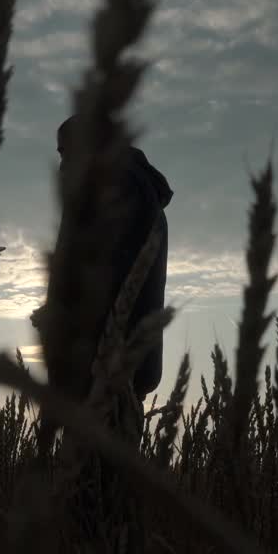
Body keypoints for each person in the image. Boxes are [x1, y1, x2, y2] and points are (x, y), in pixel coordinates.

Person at [31, 115, 174, 406]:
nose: (62, 165)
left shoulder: (118, 188)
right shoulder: (128, 188)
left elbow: (108, 280)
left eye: (65, 152)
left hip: (104, 373)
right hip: (112, 369)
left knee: (98, 450)